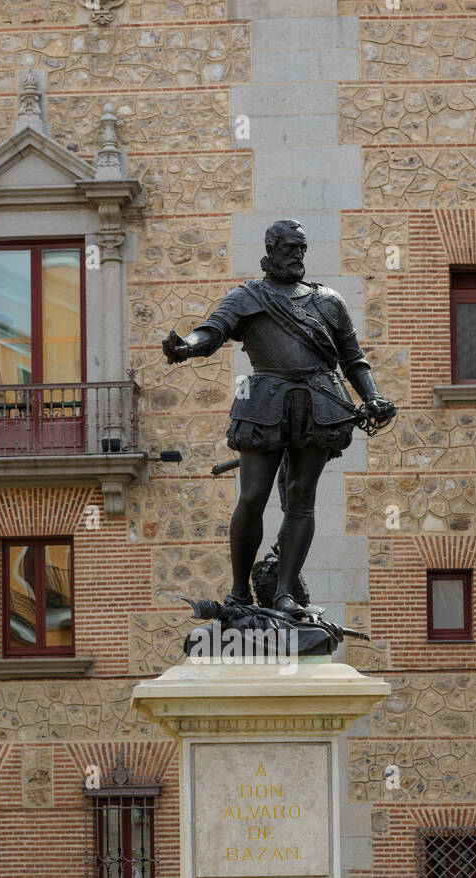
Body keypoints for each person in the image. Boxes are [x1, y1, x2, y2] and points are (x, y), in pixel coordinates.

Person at [162, 219, 395, 617]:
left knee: (301, 502)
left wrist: (373, 397)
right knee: (252, 497)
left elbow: (354, 359)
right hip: (264, 403)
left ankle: (285, 592)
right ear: (270, 248)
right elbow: (213, 332)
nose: (297, 255)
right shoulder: (247, 297)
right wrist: (185, 347)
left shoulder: (329, 300)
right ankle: (238, 592)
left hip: (319, 405)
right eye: (289, 248)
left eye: (302, 248)